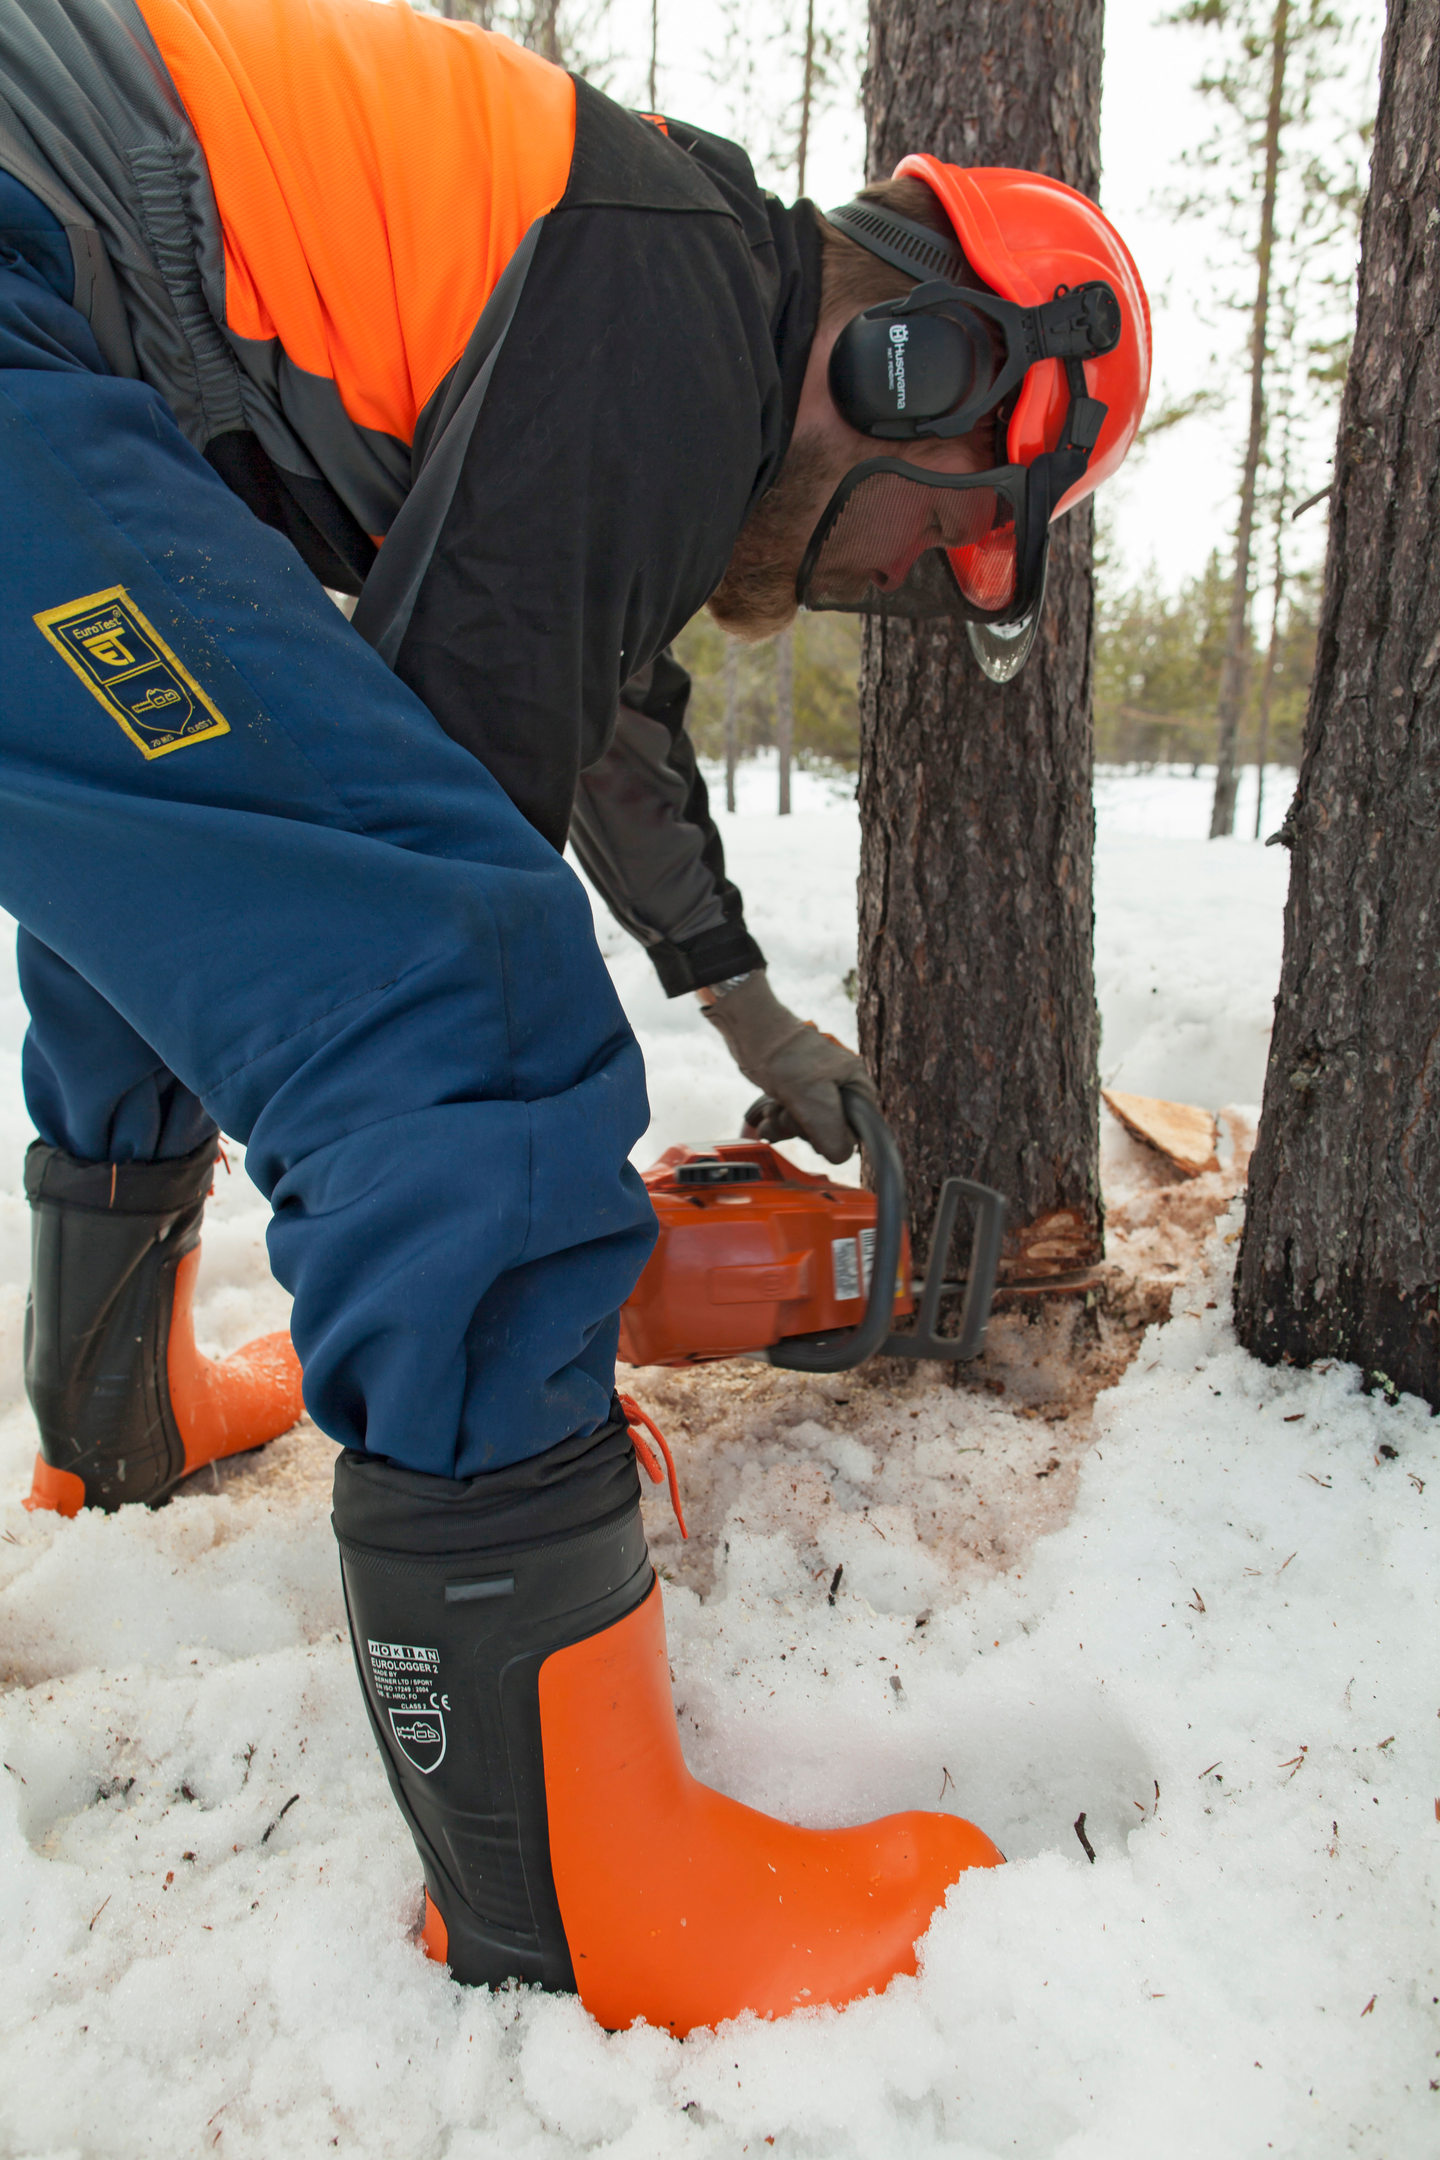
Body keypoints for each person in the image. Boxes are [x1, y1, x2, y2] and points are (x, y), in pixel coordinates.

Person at [0, 0, 1149, 2033]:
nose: (891, 579)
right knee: (456, 994)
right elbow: (455, 807)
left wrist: (742, 1002)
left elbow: (587, 706)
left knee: (193, 868)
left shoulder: (645, 283)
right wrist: (530, 1356)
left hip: (59, 320)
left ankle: (119, 1416)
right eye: (939, 535)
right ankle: (581, 1895)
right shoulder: (681, 288)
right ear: (923, 361)